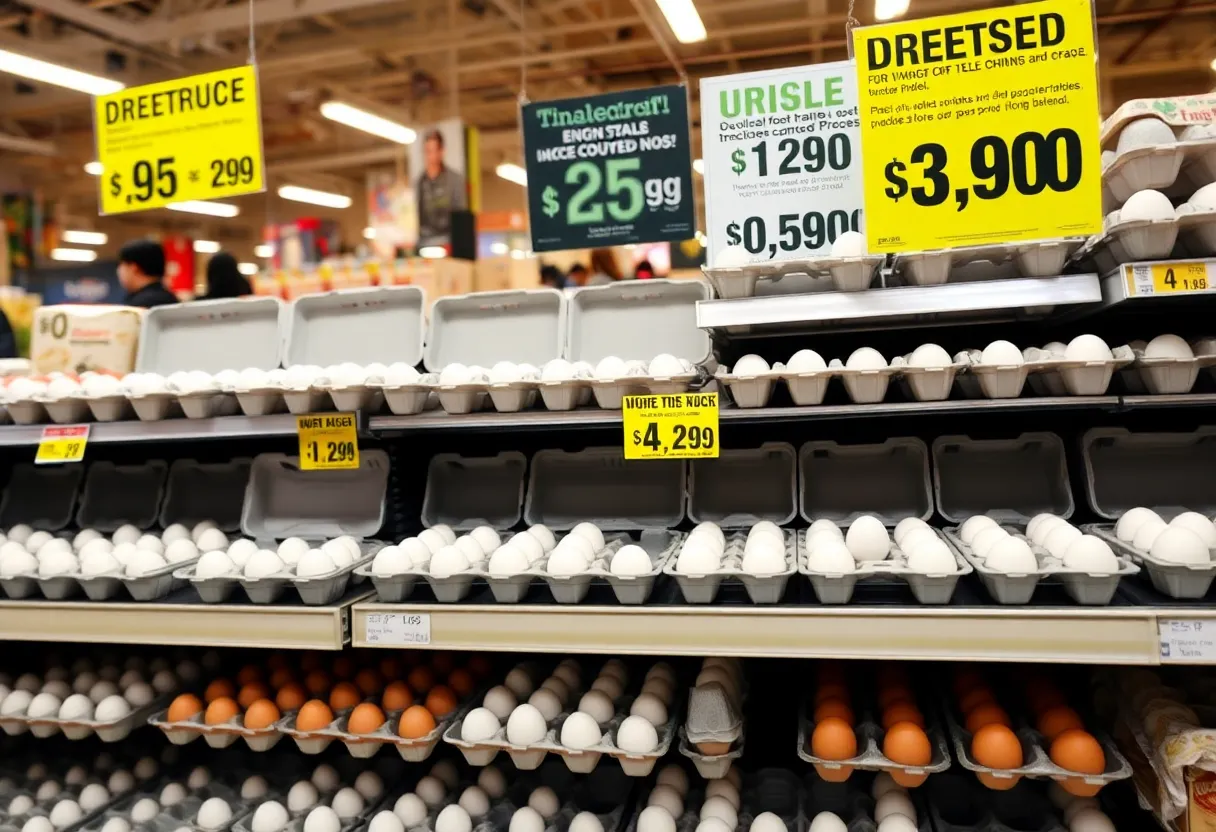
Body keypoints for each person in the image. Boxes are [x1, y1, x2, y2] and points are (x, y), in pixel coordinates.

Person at [415, 129, 468, 247]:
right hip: (425, 242)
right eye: (427, 151)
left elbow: (460, 216)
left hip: (449, 242)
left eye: (433, 151)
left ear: (441, 151)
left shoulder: (455, 180)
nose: (430, 156)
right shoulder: (420, 182)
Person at [117, 239, 177, 308]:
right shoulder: (170, 298)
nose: (118, 270)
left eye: (121, 265)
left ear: (134, 268)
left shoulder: (139, 306)